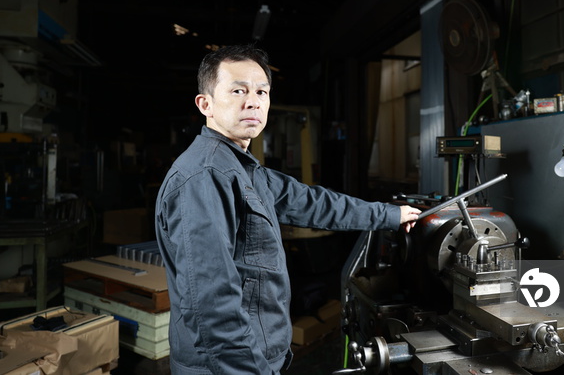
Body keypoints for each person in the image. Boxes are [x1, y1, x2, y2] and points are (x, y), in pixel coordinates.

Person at [154, 44, 420, 374]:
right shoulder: (204, 179)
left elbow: (314, 203)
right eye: (238, 90)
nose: (252, 101)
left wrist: (390, 215)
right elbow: (213, 309)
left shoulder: (242, 169)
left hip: (258, 358)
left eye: (261, 91)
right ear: (205, 104)